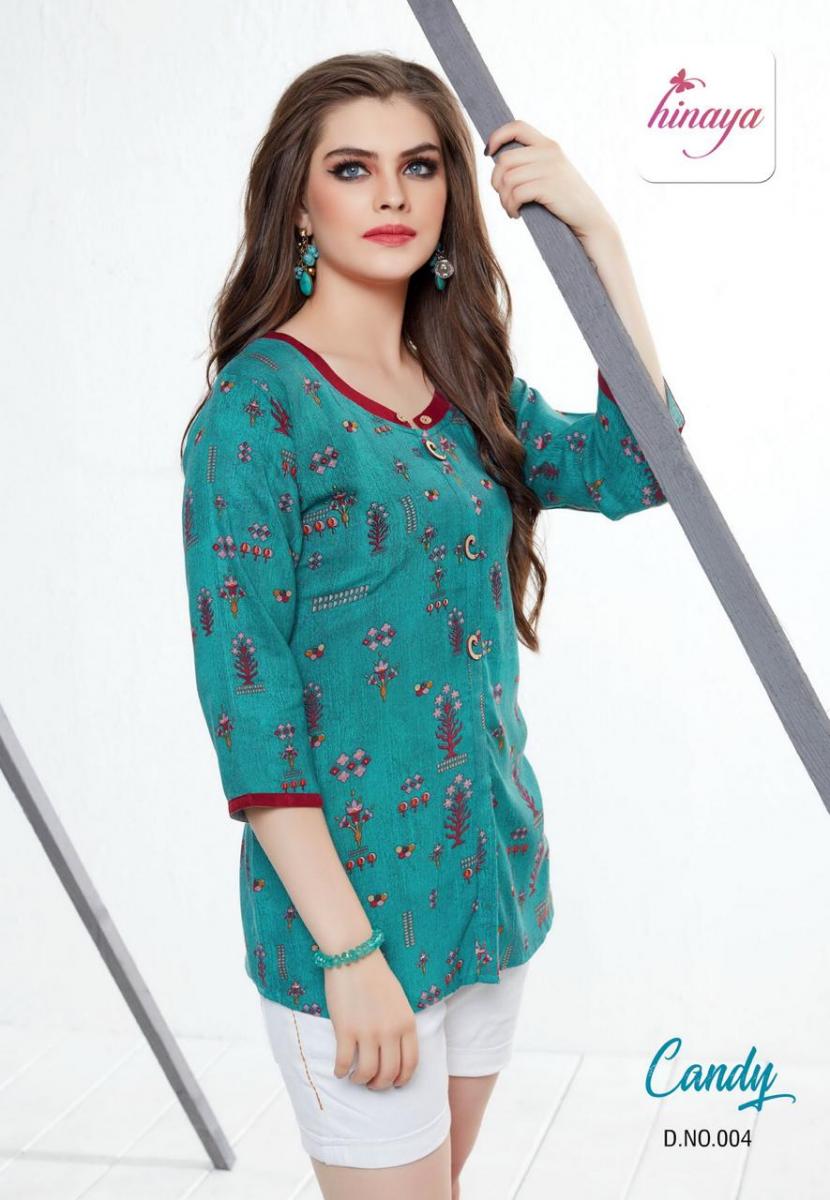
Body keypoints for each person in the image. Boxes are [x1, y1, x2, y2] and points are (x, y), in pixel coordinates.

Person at [179, 51, 685, 1200]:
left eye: (418, 166)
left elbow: (634, 466)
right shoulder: (254, 415)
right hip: (348, 929)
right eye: (352, 169)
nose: (392, 195)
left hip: (487, 895)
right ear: (297, 203)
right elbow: (251, 716)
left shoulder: (463, 384)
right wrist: (350, 954)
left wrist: (598, 237)